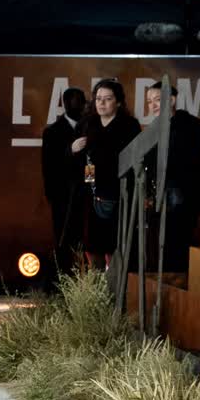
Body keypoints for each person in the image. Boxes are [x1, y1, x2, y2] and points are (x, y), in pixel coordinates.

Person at [142, 83, 200, 277]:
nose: (153, 105)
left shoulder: (185, 129)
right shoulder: (153, 131)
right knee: (160, 252)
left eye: (158, 100)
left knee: (176, 253)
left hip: (181, 202)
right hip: (159, 202)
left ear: (172, 100)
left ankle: (177, 289)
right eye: (149, 101)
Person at [78, 78, 140, 271]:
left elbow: (134, 162)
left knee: (115, 247)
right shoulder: (89, 124)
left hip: (120, 195)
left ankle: (115, 286)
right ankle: (96, 287)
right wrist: (73, 149)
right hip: (93, 194)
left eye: (108, 99)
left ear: (118, 102)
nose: (102, 103)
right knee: (92, 247)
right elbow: (86, 161)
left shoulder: (129, 126)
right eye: (98, 99)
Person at [40, 86, 87, 276]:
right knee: (63, 239)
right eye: (72, 102)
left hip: (86, 194)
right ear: (64, 104)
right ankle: (63, 280)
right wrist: (70, 151)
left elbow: (91, 161)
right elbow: (48, 165)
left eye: (80, 102)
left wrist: (90, 183)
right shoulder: (52, 132)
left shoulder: (90, 128)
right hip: (62, 196)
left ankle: (86, 279)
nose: (77, 106)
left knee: (85, 239)